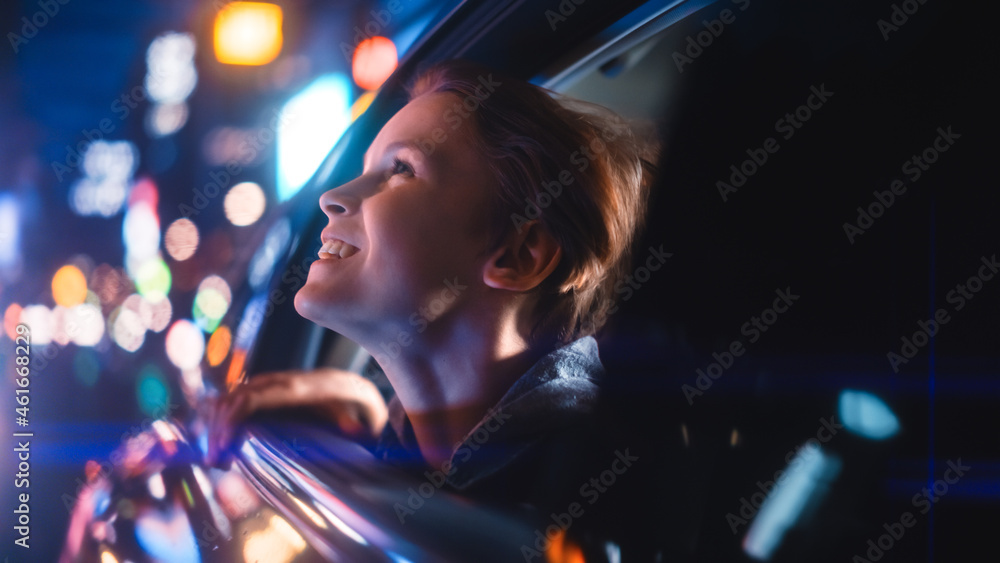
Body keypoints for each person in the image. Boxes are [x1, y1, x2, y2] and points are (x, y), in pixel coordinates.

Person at [207, 59, 659, 526]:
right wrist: (365, 409)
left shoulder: (594, 494)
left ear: (517, 256)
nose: (333, 196)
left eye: (400, 168)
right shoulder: (477, 459)